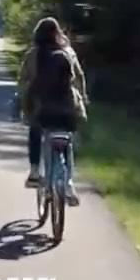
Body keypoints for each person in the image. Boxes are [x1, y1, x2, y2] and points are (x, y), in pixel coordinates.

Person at [17, 16, 88, 205]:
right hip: (68, 106)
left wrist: (24, 101)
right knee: (67, 142)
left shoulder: (33, 54)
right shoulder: (68, 52)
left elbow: (23, 81)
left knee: (35, 128)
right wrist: (82, 98)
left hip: (42, 107)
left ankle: (34, 170)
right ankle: (69, 184)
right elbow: (79, 77)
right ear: (58, 33)